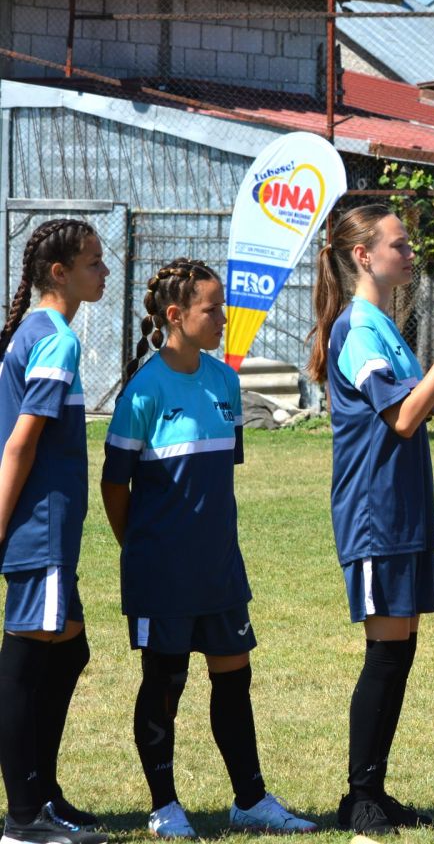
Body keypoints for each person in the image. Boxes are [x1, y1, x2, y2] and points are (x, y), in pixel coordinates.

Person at [101, 258, 318, 838]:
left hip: (220, 570)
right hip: (161, 574)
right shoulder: (144, 391)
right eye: (212, 308)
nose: (223, 318)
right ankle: (164, 805)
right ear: (177, 315)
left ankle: (249, 799)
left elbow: (216, 478)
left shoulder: (225, 381)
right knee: (164, 684)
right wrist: (141, 552)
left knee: (234, 680)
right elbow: (112, 484)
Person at [305, 204, 434, 835]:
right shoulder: (357, 327)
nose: (410, 252)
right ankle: (358, 797)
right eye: (399, 243)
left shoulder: (381, 324)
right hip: (374, 514)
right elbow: (398, 420)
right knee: (385, 654)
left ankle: (374, 789)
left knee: (399, 649)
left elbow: (406, 407)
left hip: (402, 510)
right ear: (364, 256)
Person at [0, 220, 109, 844]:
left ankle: (40, 791)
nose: (103, 272)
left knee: (70, 650)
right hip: (39, 526)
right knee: (21, 668)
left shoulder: (40, 332)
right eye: (93, 263)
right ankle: (23, 819)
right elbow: (20, 445)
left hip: (50, 531)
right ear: (59, 273)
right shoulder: (56, 339)